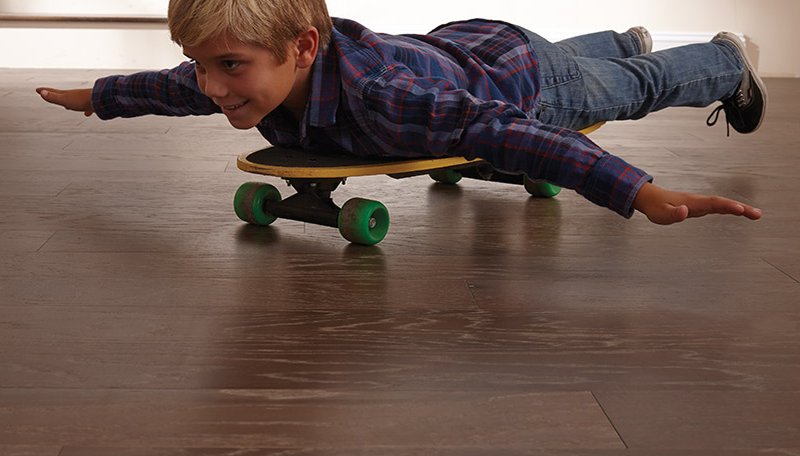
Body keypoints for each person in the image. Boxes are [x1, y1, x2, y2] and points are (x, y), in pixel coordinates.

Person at [36, 0, 765, 225]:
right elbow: (166, 86)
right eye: (204, 63)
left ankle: (725, 59)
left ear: (304, 46)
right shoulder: (232, 68)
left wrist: (636, 190)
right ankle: (615, 41)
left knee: (627, 89)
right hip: (459, 48)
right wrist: (90, 97)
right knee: (600, 67)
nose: (212, 86)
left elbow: (501, 132)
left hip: (523, 79)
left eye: (229, 68)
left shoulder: (387, 100)